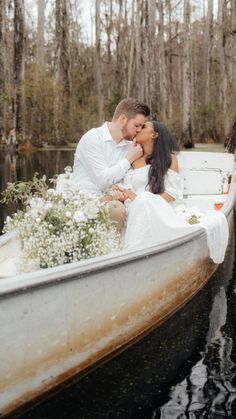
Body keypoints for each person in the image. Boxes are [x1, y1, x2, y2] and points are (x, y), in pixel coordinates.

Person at [72, 98, 150, 230]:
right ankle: (114, 249)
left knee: (142, 207)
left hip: (117, 199)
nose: (139, 130)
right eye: (136, 125)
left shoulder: (130, 145)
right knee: (117, 210)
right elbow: (103, 180)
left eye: (142, 127)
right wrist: (128, 159)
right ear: (123, 119)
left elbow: (130, 177)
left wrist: (123, 192)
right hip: (88, 201)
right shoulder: (93, 138)